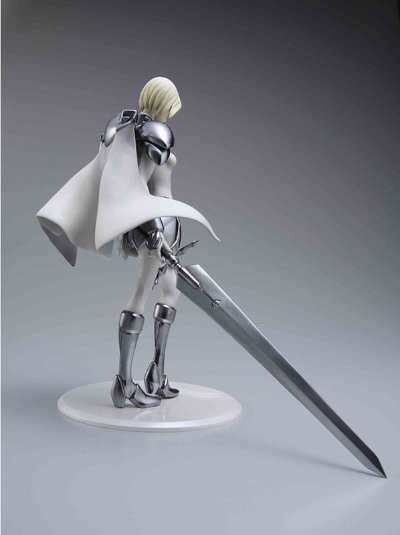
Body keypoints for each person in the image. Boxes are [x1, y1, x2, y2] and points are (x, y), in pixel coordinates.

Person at [37, 77, 218, 408]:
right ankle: (124, 383)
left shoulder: (131, 129)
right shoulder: (148, 134)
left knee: (171, 291)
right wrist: (154, 232)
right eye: (172, 104)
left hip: (165, 223)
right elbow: (135, 189)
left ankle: (157, 375)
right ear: (164, 102)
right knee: (141, 293)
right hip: (156, 224)